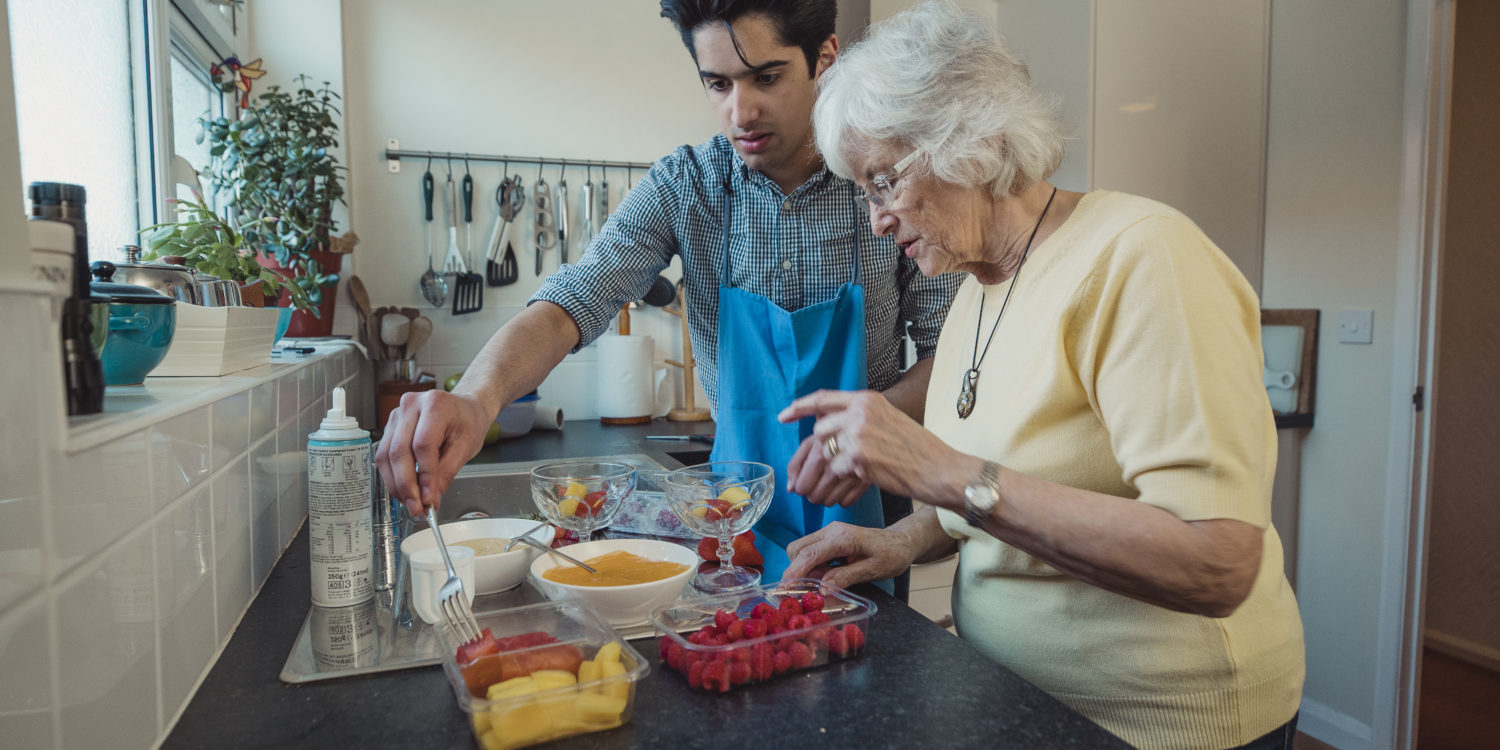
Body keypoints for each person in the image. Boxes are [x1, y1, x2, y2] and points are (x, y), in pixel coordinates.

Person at [778, 4, 1305, 749]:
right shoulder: (977, 289)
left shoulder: (1142, 257)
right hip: (1016, 701)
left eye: (883, 181)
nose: (877, 221)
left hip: (1160, 726)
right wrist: (902, 540)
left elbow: (1216, 561)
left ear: (972, 139)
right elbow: (1019, 488)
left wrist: (946, 473)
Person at [375, 0, 961, 589]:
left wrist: (869, 421)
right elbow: (570, 305)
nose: (742, 110)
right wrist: (478, 399)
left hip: (867, 511)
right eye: (718, 83)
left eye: (767, 77)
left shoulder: (887, 184)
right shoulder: (687, 185)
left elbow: (953, 351)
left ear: (825, 59)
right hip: (735, 517)